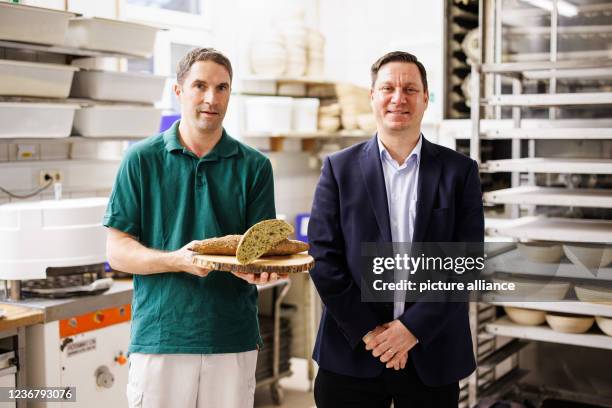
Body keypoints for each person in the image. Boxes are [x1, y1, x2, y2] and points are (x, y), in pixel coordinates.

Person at [104, 47, 283, 408]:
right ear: (178, 91)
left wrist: (262, 271)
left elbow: (262, 252)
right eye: (200, 85)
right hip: (161, 337)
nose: (210, 98)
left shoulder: (255, 167)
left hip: (231, 338)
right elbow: (117, 252)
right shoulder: (141, 159)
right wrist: (178, 260)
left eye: (222, 88)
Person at [308, 51, 484, 407]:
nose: (398, 98)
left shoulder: (459, 172)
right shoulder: (338, 169)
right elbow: (323, 258)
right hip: (352, 352)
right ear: (372, 96)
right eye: (387, 88)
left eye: (409, 89)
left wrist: (411, 330)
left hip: (431, 353)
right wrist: (373, 333)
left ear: (425, 98)